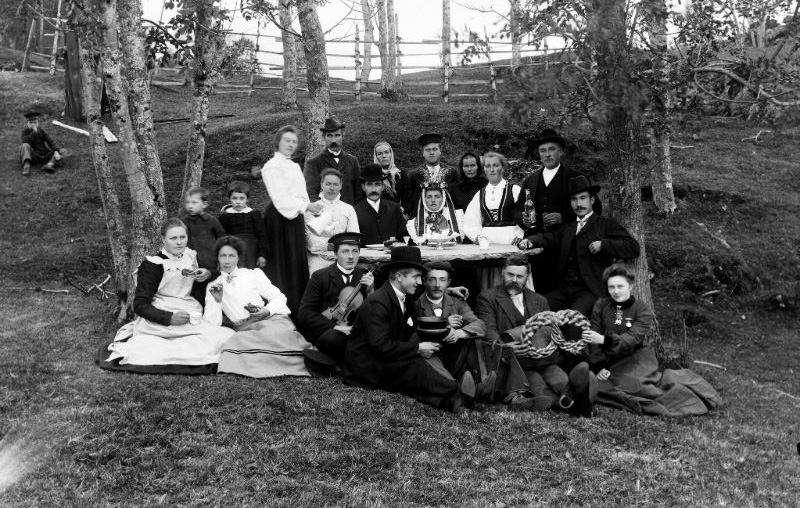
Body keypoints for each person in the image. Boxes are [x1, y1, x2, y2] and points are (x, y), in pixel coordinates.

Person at [344, 246, 477, 414]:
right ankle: (458, 391)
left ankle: (452, 402)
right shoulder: (377, 303)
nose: (420, 282)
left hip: (389, 356)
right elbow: (380, 346)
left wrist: (449, 290)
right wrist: (417, 348)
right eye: (416, 277)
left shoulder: (405, 297)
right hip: (367, 367)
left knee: (413, 379)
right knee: (414, 368)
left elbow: (425, 296)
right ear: (399, 276)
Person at [580, 264, 722, 416]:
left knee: (635, 387)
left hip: (632, 358)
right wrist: (600, 365)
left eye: (620, 286)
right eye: (611, 287)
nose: (615, 291)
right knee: (594, 383)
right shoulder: (601, 304)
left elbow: (632, 339)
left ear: (631, 286)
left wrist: (604, 339)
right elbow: (593, 335)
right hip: (605, 359)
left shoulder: (642, 310)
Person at [104, 218, 234, 368]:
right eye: (173, 238)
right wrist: (170, 318)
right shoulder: (153, 264)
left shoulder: (190, 256)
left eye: (182, 237)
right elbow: (139, 305)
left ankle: (180, 347)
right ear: (163, 240)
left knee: (227, 336)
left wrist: (208, 274)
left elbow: (203, 280)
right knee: (151, 348)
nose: (179, 242)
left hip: (187, 313)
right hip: (160, 317)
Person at [475, 255, 594, 412]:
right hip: (517, 363)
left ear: (527, 277)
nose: (514, 280)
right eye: (510, 275)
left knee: (558, 378)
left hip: (543, 359)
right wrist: (506, 348)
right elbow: (488, 331)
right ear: (503, 273)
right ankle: (576, 404)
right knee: (537, 384)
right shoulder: (487, 298)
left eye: (519, 276)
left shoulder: (539, 300)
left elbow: (550, 329)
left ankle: (573, 396)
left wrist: (558, 346)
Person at [518, 176, 640, 320]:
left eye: (583, 198)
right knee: (536, 310)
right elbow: (547, 238)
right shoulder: (568, 227)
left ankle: (573, 340)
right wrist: (530, 241)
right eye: (574, 199)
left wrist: (604, 245)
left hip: (590, 290)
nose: (579, 204)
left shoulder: (605, 225)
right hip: (563, 289)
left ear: (592, 200)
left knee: (573, 321)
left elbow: (633, 247)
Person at [204, 236, 313, 378]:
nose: (227, 261)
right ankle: (274, 365)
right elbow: (212, 323)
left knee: (277, 334)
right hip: (245, 328)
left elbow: (280, 297)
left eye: (232, 256)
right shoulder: (213, 286)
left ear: (238, 258)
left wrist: (267, 311)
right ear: (217, 258)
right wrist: (218, 301)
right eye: (223, 256)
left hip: (270, 319)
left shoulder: (252, 274)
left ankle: (300, 363)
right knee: (238, 341)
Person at [261, 125, 325, 314]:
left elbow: (301, 195)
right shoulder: (271, 167)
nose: (290, 144)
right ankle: (283, 314)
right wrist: (305, 206)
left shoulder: (294, 166)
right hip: (279, 220)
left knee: (297, 264)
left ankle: (300, 311)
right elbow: (280, 199)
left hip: (295, 219)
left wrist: (311, 209)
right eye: (287, 141)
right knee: (282, 266)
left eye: (294, 141)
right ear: (278, 142)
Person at [516, 129, 586, 294]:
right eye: (543, 150)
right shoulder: (530, 180)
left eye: (552, 149)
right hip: (536, 245)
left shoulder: (574, 177)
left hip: (567, 245)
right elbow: (516, 209)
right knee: (538, 288)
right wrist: (523, 218)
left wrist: (563, 216)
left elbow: (594, 208)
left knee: (563, 289)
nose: (547, 154)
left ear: (560, 151)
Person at [297, 232, 375, 365]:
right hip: (329, 332)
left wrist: (371, 290)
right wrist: (334, 327)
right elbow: (305, 313)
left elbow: (373, 313)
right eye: (345, 252)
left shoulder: (364, 277)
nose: (351, 257)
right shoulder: (320, 276)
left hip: (354, 331)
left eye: (355, 251)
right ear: (335, 254)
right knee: (333, 339)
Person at [305, 168, 360, 273]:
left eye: (335, 184)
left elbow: (354, 236)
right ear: (321, 184)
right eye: (328, 184)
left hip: (343, 261)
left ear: (341, 186)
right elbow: (310, 241)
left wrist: (340, 247)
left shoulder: (348, 209)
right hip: (318, 262)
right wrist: (327, 245)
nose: (331, 188)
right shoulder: (312, 209)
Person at [463, 151, 525, 245]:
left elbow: (526, 215)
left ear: (503, 168)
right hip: (487, 242)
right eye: (487, 166)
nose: (491, 169)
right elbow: (470, 220)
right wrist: (478, 237)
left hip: (511, 240)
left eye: (495, 165)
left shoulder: (514, 190)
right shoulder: (480, 194)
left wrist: (520, 236)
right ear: (484, 169)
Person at [303, 116, 361, 205]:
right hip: (325, 214)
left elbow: (359, 193)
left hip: (348, 214)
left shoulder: (353, 161)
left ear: (343, 136)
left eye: (337, 135)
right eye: (329, 136)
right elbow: (311, 194)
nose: (333, 140)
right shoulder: (314, 163)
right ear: (324, 137)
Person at [406, 133, 459, 216]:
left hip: (448, 219)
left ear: (440, 151)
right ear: (423, 153)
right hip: (421, 221)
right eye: (428, 150)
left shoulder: (453, 172)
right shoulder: (412, 175)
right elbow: (409, 200)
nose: (431, 152)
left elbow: (457, 198)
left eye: (434, 149)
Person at [218, 181, 268, 269]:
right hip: (232, 249)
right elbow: (221, 237)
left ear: (247, 199)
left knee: (249, 274)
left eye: (242, 198)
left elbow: (262, 236)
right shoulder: (225, 216)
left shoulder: (254, 214)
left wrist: (262, 255)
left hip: (251, 251)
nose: (238, 202)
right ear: (229, 198)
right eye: (235, 198)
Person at [353, 163, 407, 245]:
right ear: (363, 187)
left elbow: (403, 236)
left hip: (391, 256)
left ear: (383, 187)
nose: (374, 189)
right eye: (369, 184)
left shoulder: (394, 208)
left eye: (377, 184)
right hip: (365, 256)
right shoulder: (355, 211)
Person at [182, 186, 226, 271]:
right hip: (189, 262)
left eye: (194, 203)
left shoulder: (211, 220)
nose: (190, 206)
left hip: (210, 260)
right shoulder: (183, 222)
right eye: (188, 202)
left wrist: (222, 256)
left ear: (204, 204)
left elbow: (222, 238)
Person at [19, 111, 63, 176]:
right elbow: (25, 141)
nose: (33, 124)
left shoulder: (41, 131)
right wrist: (34, 133)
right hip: (32, 156)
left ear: (38, 123)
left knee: (62, 151)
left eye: (35, 122)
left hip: (43, 155)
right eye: (31, 123)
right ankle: (26, 165)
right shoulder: (25, 132)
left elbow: (50, 141)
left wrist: (56, 151)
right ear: (27, 124)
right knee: (24, 145)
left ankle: (49, 164)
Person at [373, 140, 410, 211]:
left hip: (399, 214)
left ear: (391, 154)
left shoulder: (401, 175)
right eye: (379, 153)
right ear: (376, 156)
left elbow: (408, 198)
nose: (384, 156)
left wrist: (402, 209)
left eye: (386, 152)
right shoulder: (372, 176)